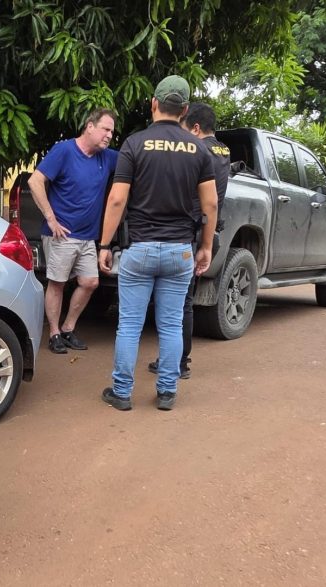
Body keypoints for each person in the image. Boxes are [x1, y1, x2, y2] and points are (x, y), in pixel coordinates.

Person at [98, 76, 218, 412]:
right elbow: (210, 204)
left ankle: (122, 393)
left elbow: (117, 200)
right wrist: (206, 246)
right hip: (180, 251)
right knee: (171, 324)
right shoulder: (199, 149)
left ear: (154, 103)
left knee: (130, 325)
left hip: (140, 249)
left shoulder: (135, 144)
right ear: (184, 110)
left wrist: (104, 245)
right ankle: (166, 392)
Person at [147, 102, 230, 379]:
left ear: (195, 128)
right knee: (184, 302)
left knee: (178, 304)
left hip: (188, 233)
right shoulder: (222, 150)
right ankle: (178, 360)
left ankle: (177, 363)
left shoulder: (198, 151)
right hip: (206, 233)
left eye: (182, 128)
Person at [27, 109, 119, 354]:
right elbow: (35, 181)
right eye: (105, 129)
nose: (109, 135)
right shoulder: (64, 151)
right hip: (62, 234)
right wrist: (51, 219)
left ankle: (68, 328)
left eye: (112, 131)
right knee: (57, 284)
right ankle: (54, 333)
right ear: (89, 126)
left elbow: (135, 161)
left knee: (90, 282)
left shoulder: (107, 157)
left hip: (88, 237)